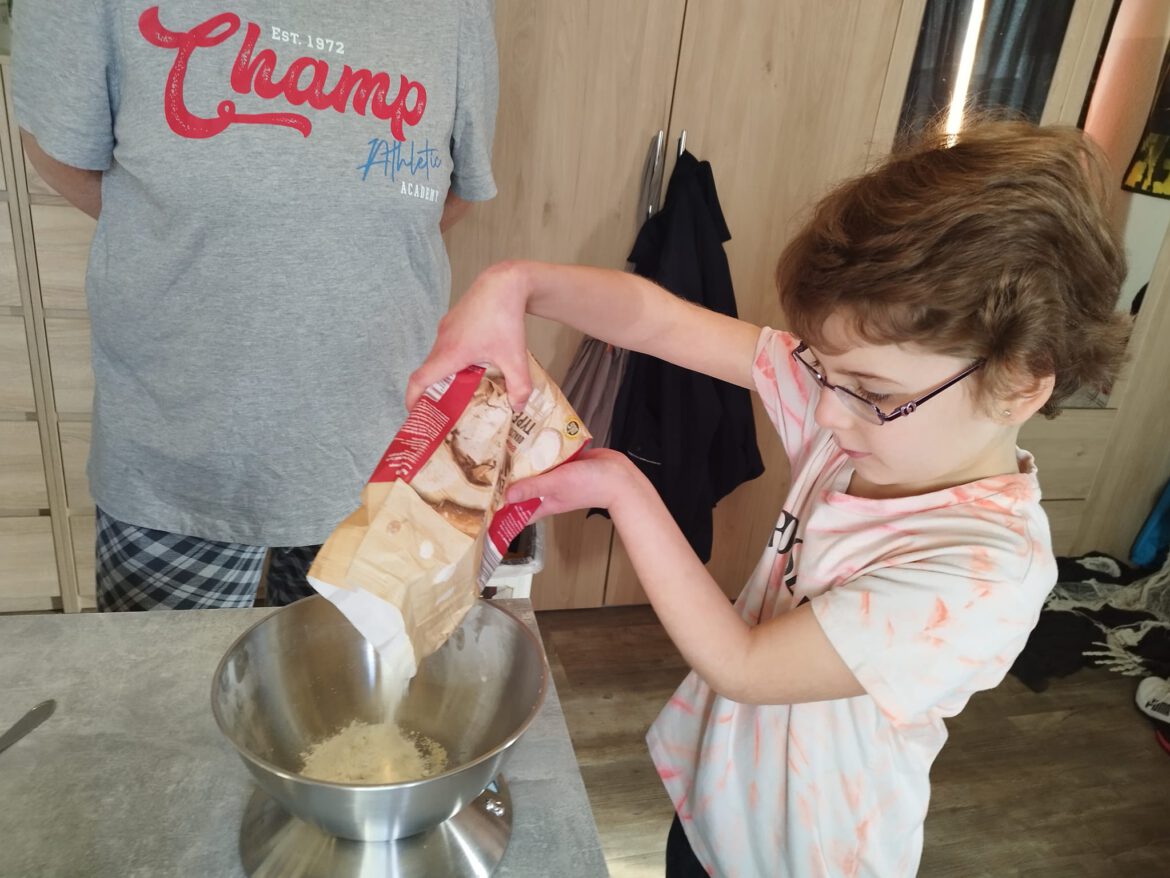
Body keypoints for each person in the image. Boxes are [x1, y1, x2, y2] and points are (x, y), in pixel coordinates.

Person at [407, 119, 1129, 875]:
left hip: (805, 854)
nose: (823, 411)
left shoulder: (981, 575)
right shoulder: (861, 415)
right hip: (719, 804)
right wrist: (516, 284)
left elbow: (745, 663)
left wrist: (619, 482)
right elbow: (657, 320)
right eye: (823, 371)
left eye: (872, 392)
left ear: (1021, 379)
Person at [12, 1, 498, 610]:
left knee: (357, 703)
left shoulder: (457, 10)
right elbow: (62, 152)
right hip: (178, 466)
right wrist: (204, 234)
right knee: (175, 699)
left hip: (386, 456)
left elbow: (452, 192)